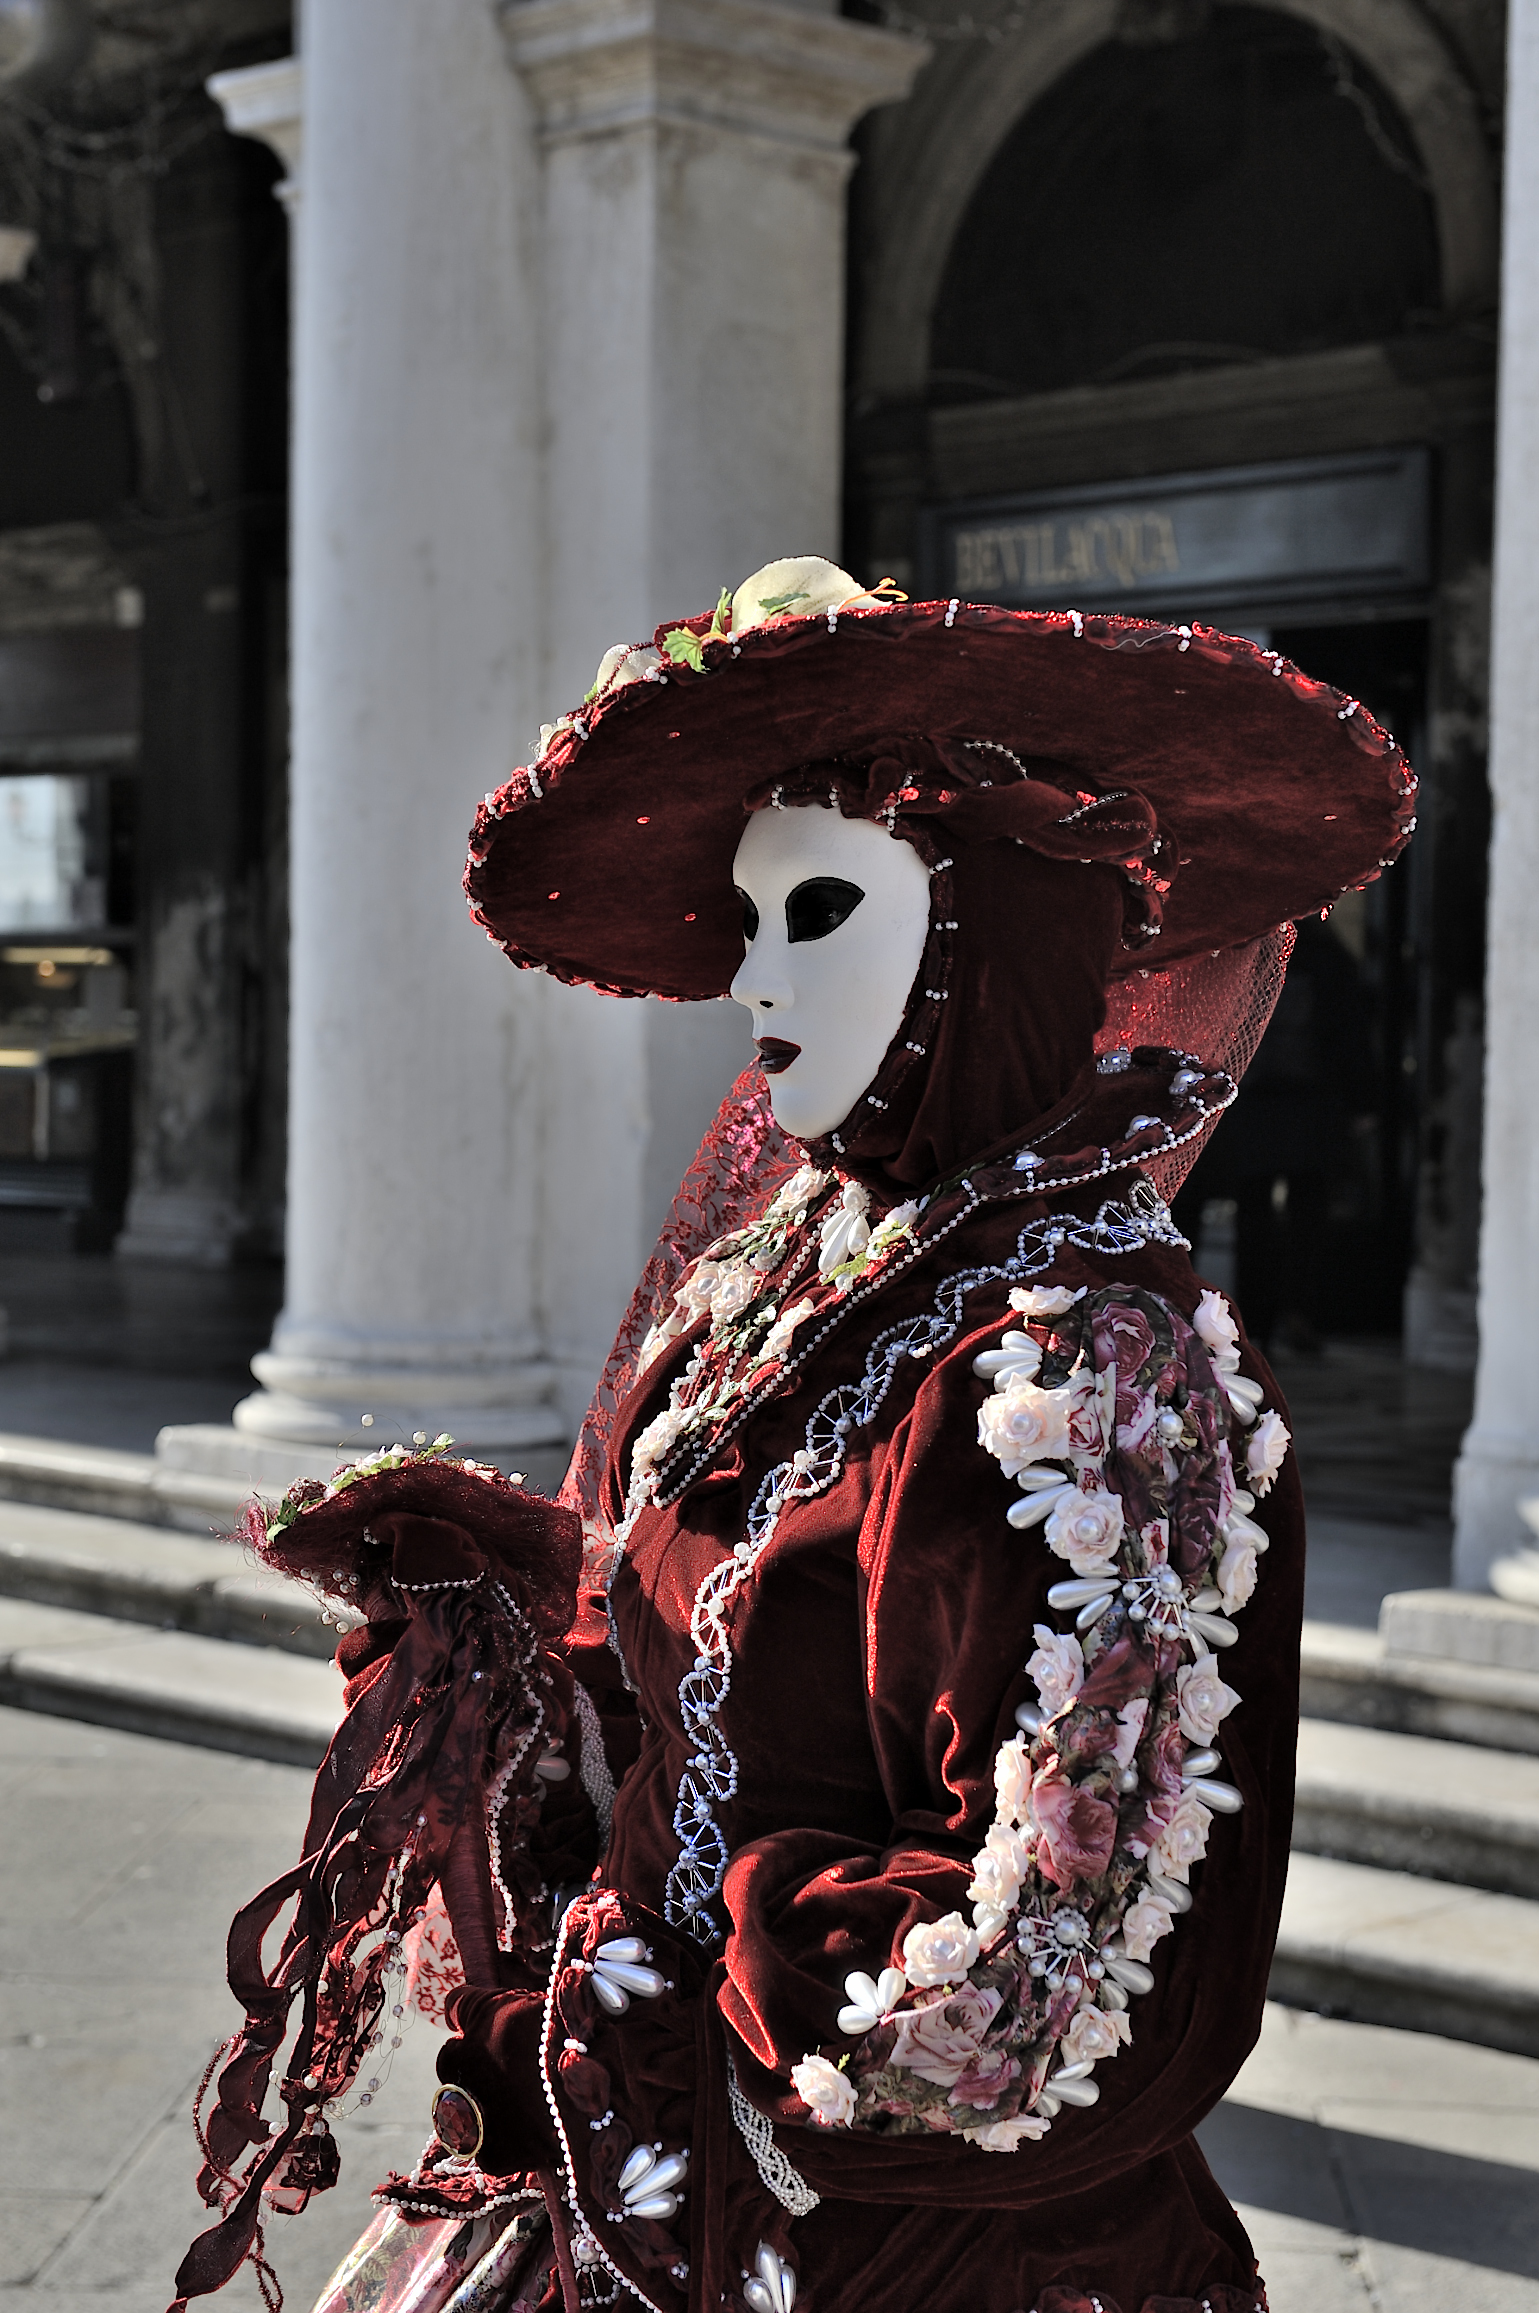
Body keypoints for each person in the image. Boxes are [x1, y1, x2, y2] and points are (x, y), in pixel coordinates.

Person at [168, 559, 1416, 2313]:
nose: (757, 977)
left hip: (914, 2249)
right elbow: (708, 1678)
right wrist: (511, 1608)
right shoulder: (799, 1281)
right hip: (660, 2187)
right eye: (747, 918)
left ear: (995, 927)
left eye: (820, 909)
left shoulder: (1103, 1379)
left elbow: (1061, 1999)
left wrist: (669, 2001)